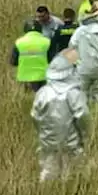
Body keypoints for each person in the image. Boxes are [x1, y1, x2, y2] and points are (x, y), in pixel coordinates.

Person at [31, 51, 91, 181]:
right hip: (71, 140)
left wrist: (42, 132)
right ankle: (70, 194)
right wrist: (85, 135)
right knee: (72, 171)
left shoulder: (43, 93)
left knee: (48, 169)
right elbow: (82, 116)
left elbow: (35, 116)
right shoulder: (74, 93)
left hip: (48, 139)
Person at [10, 20, 50, 92]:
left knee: (26, 100)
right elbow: (53, 59)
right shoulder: (47, 42)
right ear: (40, 29)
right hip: (43, 77)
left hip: (24, 78)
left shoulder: (19, 42)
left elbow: (13, 62)